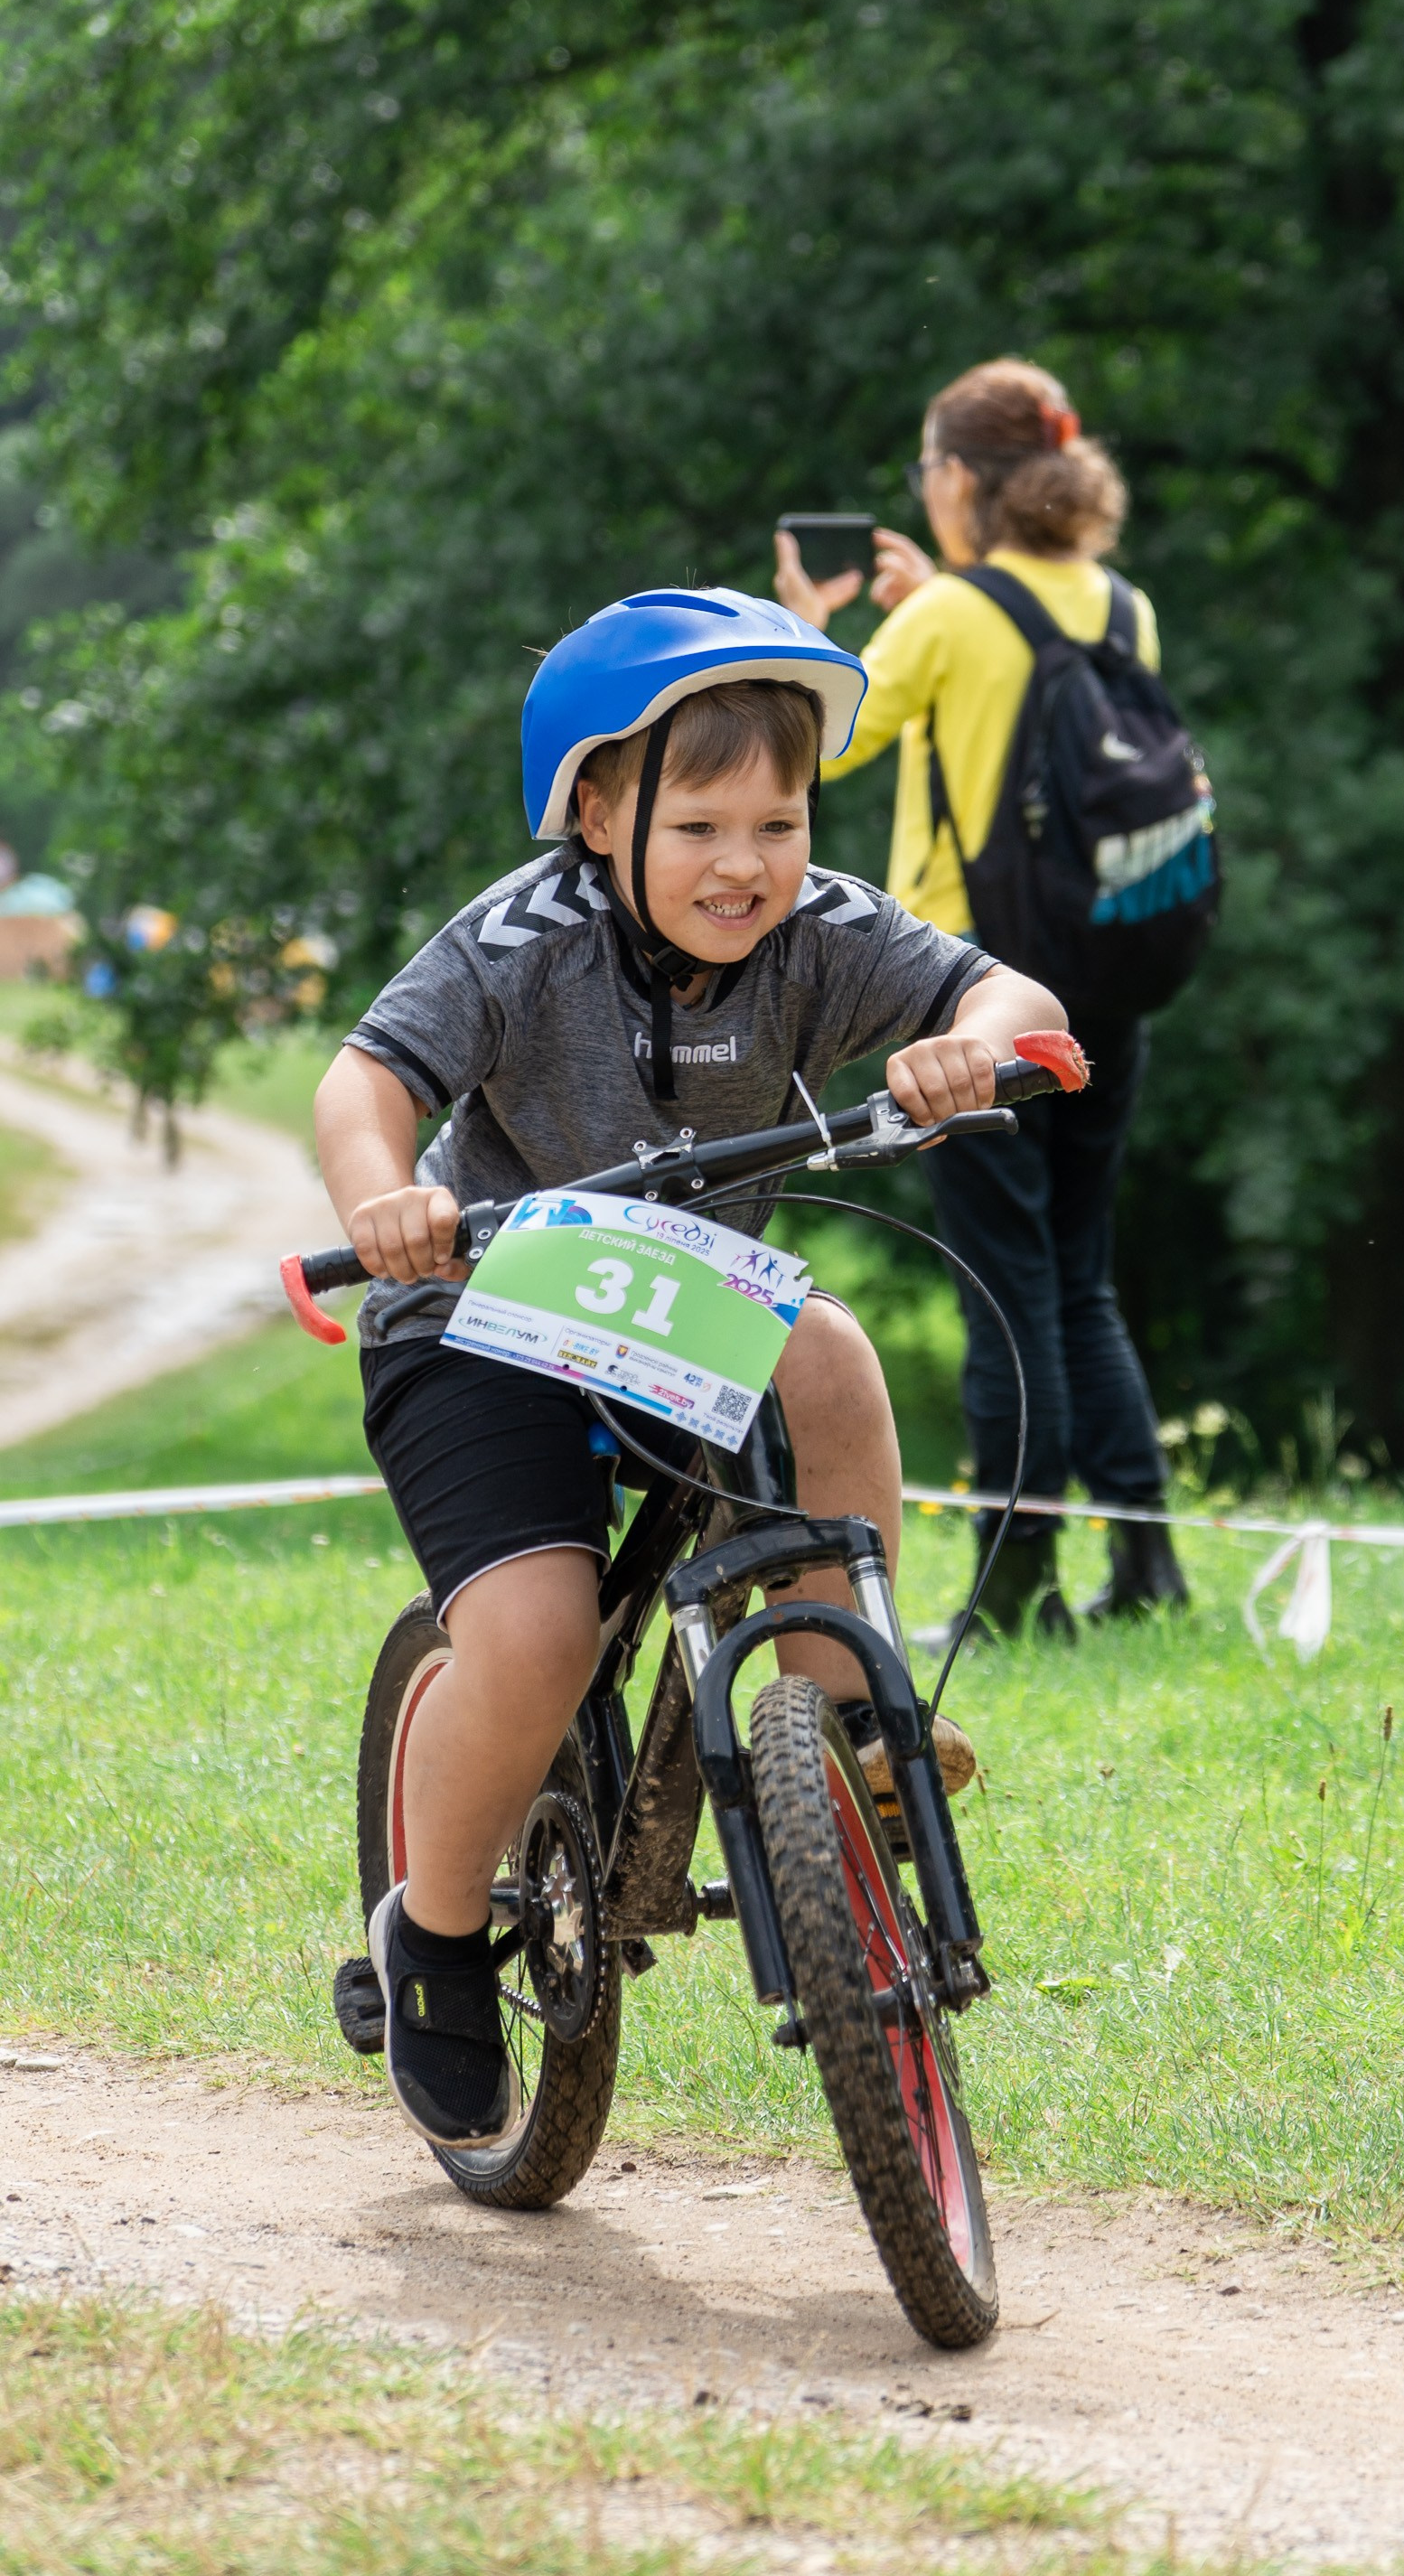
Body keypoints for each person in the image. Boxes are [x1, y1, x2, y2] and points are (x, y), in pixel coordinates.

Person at [313, 586, 1065, 2151]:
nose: (747, 863)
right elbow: (365, 1078)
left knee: (834, 1358)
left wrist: (969, 1042)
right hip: (477, 1315)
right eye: (702, 822)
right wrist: (384, 1196)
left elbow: (1017, 999)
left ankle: (839, 1717)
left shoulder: (822, 931)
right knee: (537, 1634)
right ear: (594, 812)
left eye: (779, 822)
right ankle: (437, 1933)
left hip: (670, 1305)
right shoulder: (520, 944)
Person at [773, 358, 1188, 1641]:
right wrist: (923, 604)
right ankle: (1145, 1568)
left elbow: (815, 737)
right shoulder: (1120, 603)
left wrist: (811, 622)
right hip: (1103, 980)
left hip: (978, 1001)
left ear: (956, 479)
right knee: (1079, 1279)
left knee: (1004, 1288)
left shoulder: (950, 617)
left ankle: (1015, 1593)